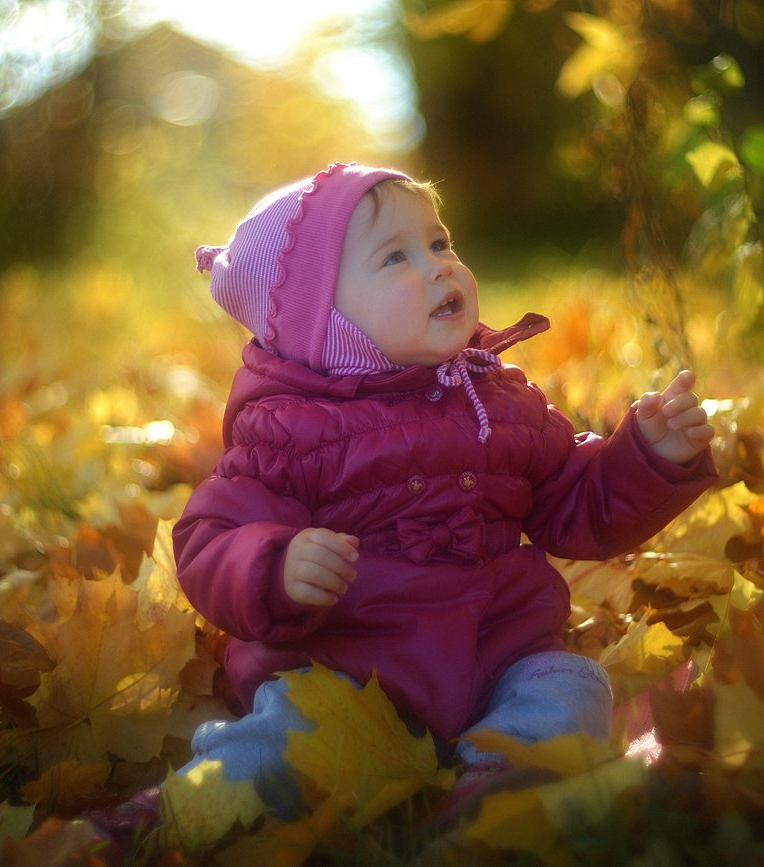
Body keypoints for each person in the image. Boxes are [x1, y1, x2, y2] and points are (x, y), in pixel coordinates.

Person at [99, 162, 718, 849]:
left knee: (572, 685)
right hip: (342, 675)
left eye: (440, 243)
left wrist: (648, 455)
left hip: (496, 653)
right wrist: (274, 566)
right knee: (280, 740)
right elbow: (212, 534)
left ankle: (501, 776)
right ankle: (185, 810)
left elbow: (574, 500)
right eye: (395, 256)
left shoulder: (495, 399)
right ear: (323, 321)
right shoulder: (291, 430)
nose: (437, 268)